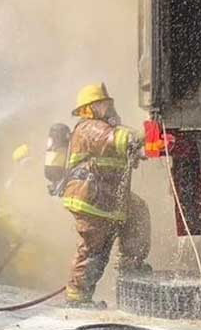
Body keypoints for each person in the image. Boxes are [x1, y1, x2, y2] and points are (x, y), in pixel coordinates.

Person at [61, 83, 151, 307]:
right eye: (103, 104)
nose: (109, 107)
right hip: (91, 199)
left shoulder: (104, 128)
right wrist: (146, 132)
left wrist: (140, 151)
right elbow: (116, 139)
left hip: (108, 198)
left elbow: (117, 150)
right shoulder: (89, 127)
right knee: (94, 248)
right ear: (89, 108)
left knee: (138, 212)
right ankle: (77, 297)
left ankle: (132, 266)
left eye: (109, 103)